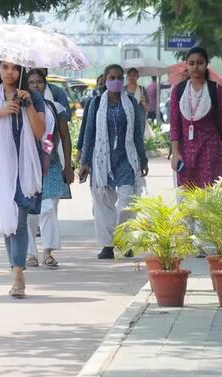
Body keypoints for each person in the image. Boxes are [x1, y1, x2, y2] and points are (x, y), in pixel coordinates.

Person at [0, 60, 45, 298]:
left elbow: (39, 132)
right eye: (4, 67)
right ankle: (15, 267)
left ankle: (17, 274)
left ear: (21, 70)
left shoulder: (32, 96)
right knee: (8, 220)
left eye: (14, 67)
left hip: (26, 166)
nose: (9, 72)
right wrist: (0, 112)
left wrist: (29, 106)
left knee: (20, 219)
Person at [79, 64, 149, 260]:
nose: (116, 81)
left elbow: (137, 134)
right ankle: (108, 245)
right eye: (112, 77)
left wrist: (143, 159)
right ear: (106, 79)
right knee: (103, 204)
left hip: (126, 158)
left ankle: (125, 239)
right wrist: (85, 162)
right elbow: (89, 133)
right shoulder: (95, 104)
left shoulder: (131, 104)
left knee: (127, 200)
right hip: (102, 161)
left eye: (119, 77)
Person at [25, 69, 74, 268]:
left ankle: (47, 251)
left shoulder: (56, 108)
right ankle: (30, 253)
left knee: (48, 209)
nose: (35, 85)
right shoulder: (21, 108)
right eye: (31, 82)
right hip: (27, 166)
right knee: (28, 213)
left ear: (45, 85)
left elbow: (64, 137)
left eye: (39, 82)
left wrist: (68, 166)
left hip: (51, 165)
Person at [169, 47, 222, 189]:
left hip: (210, 150)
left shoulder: (216, 90)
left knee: (210, 196)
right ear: (186, 65)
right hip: (185, 152)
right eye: (191, 63)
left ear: (206, 65)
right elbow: (174, 124)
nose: (195, 67)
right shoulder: (178, 91)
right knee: (186, 198)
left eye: (200, 63)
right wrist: (175, 153)